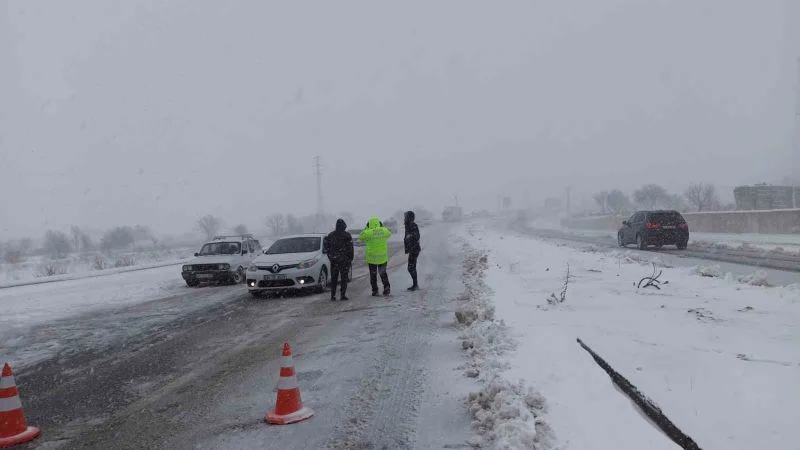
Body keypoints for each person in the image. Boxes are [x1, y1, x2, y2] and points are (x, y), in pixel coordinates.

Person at [359, 217, 392, 296]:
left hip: (372, 258)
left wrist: (366, 228)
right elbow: (389, 233)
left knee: (373, 275)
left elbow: (361, 237)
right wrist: (381, 227)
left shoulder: (368, 232)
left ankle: (375, 290)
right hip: (382, 257)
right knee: (383, 273)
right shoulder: (384, 231)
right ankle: (386, 287)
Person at [323, 218, 354, 301]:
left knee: (334, 279)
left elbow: (327, 248)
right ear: (344, 226)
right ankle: (342, 295)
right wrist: (350, 258)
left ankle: (333, 296)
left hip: (334, 260)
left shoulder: (331, 235)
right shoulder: (347, 235)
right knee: (344, 279)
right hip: (344, 260)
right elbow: (350, 248)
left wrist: (331, 257)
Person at [404, 211, 421, 290]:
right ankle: (415, 284)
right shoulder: (408, 225)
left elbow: (417, 236)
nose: (404, 218)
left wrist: (409, 236)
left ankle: (415, 285)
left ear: (409, 217)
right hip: (412, 249)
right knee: (411, 267)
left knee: (411, 268)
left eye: (406, 216)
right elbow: (406, 237)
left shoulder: (413, 225)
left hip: (414, 249)